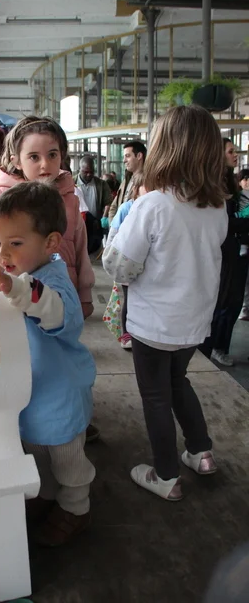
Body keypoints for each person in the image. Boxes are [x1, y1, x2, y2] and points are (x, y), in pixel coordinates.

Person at [103, 106, 228, 501]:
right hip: (194, 322)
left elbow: (119, 266)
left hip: (154, 325)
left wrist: (117, 230)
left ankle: (167, 475)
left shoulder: (153, 204)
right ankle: (201, 452)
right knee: (178, 382)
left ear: (163, 148)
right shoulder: (217, 206)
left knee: (155, 395)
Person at [0, 181, 96, 547]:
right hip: (32, 392)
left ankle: (76, 507)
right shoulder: (22, 278)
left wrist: (13, 288)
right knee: (37, 453)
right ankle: (47, 494)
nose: (3, 253)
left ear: (51, 243)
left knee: (67, 460)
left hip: (59, 395)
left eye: (15, 243)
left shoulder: (54, 283)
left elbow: (51, 310)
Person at [0, 116, 95, 319]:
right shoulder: (3, 202)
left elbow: (80, 249)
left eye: (52, 155)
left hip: (62, 300)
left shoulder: (70, 200)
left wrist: (84, 295)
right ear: (16, 161)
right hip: (15, 304)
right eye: (34, 157)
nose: (45, 164)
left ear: (62, 155)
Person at [200, 139, 249, 366]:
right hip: (224, 252)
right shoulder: (213, 185)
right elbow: (223, 222)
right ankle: (213, 347)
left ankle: (220, 346)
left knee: (233, 303)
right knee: (222, 303)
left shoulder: (230, 183)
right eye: (230, 151)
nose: (235, 155)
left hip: (236, 250)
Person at [105, 172, 145, 350]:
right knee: (129, 298)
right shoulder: (126, 208)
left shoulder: (154, 208)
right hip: (127, 264)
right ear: (136, 189)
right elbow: (113, 236)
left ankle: (139, 333)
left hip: (145, 266)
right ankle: (127, 334)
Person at [74, 156, 113, 254]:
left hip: (95, 225)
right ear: (79, 170)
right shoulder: (71, 183)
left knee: (94, 251)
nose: (89, 174)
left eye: (91, 172)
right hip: (77, 226)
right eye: (85, 172)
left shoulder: (101, 184)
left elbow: (108, 202)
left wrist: (104, 217)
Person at [108, 141, 146, 222]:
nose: (124, 160)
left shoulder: (147, 181)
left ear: (139, 156)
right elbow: (114, 206)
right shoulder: (126, 179)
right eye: (124, 157)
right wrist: (113, 225)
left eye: (127, 156)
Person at [238, 169, 249, 321]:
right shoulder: (237, 198)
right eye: (244, 179)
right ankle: (245, 308)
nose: (247, 182)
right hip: (243, 243)